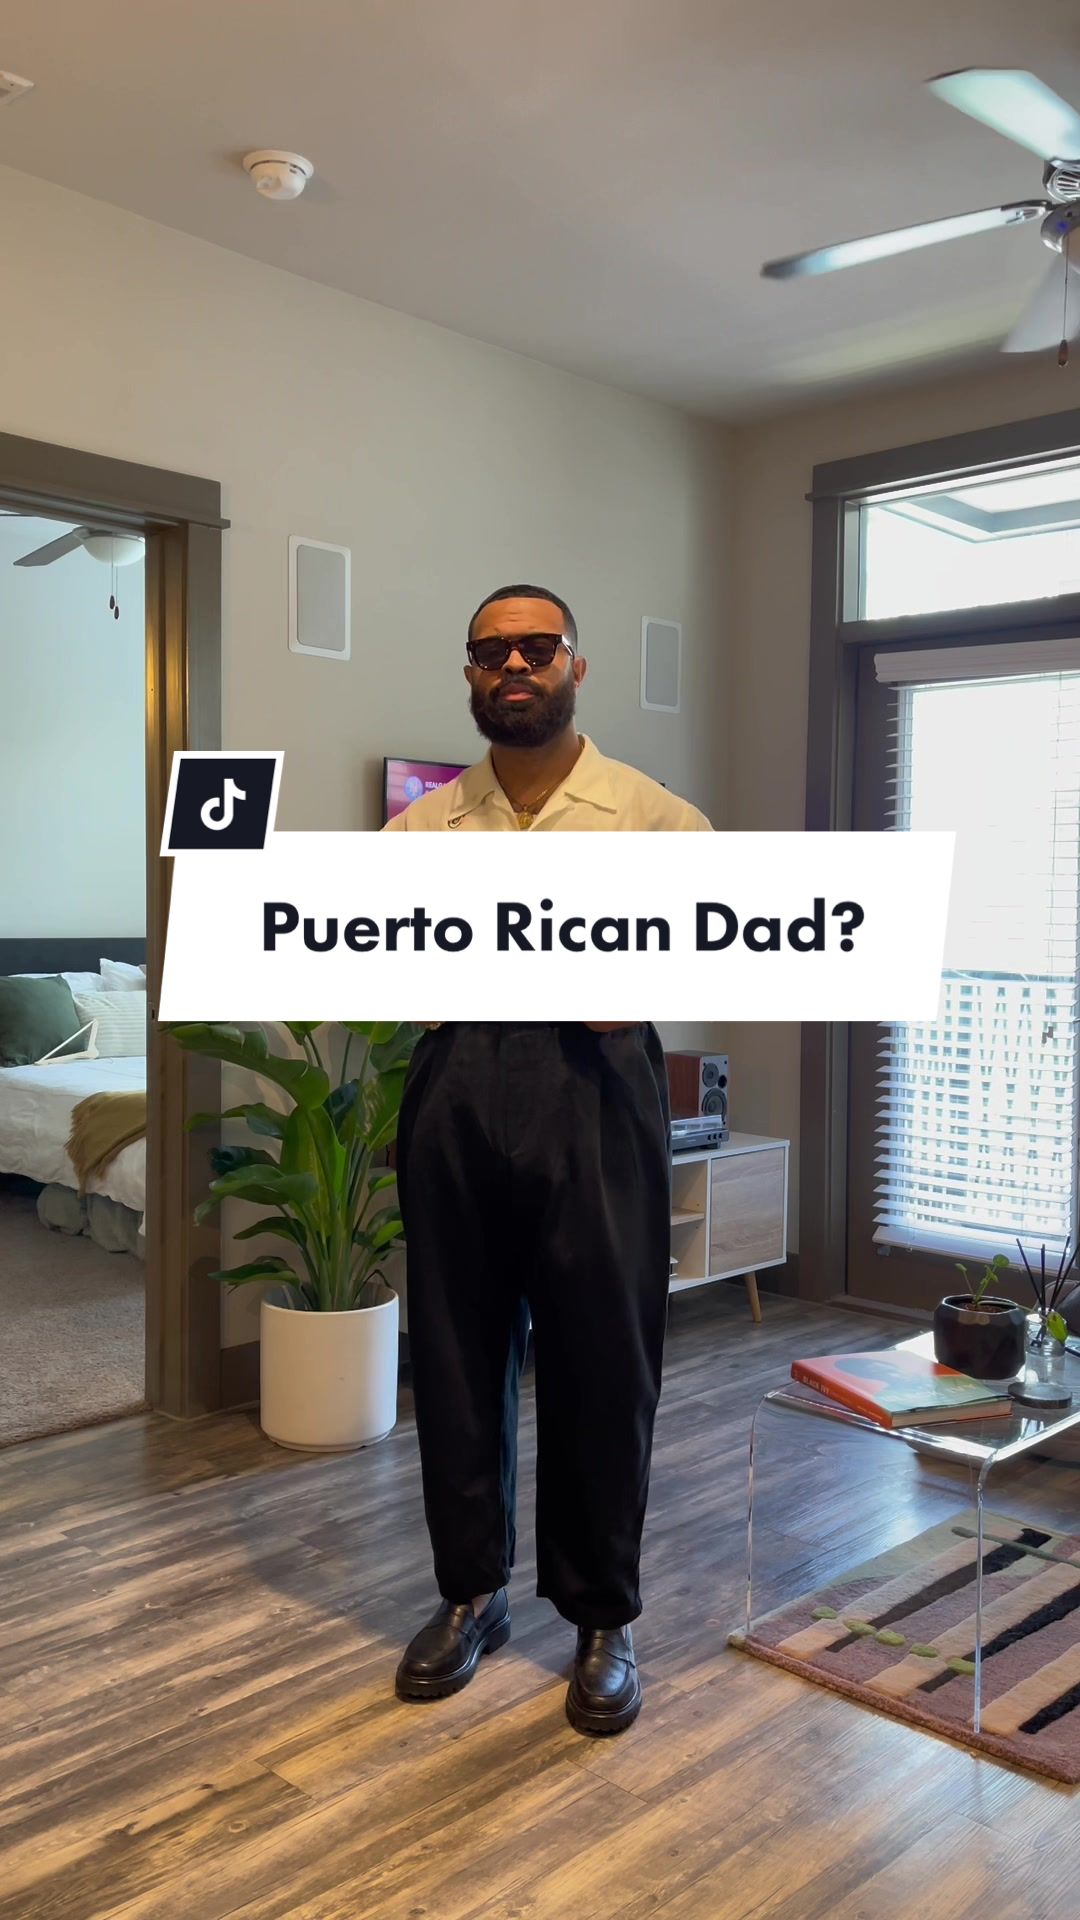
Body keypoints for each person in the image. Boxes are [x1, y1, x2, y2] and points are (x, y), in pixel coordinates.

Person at [384, 583, 712, 1735]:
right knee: (456, 1355)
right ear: (471, 675)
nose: (512, 666)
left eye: (536, 648)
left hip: (595, 1083)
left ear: (575, 665)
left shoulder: (657, 820)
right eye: (491, 652)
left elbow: (713, 958)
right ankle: (471, 1594)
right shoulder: (419, 831)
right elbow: (383, 965)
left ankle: (602, 1616)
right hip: (456, 1079)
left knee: (604, 1357)